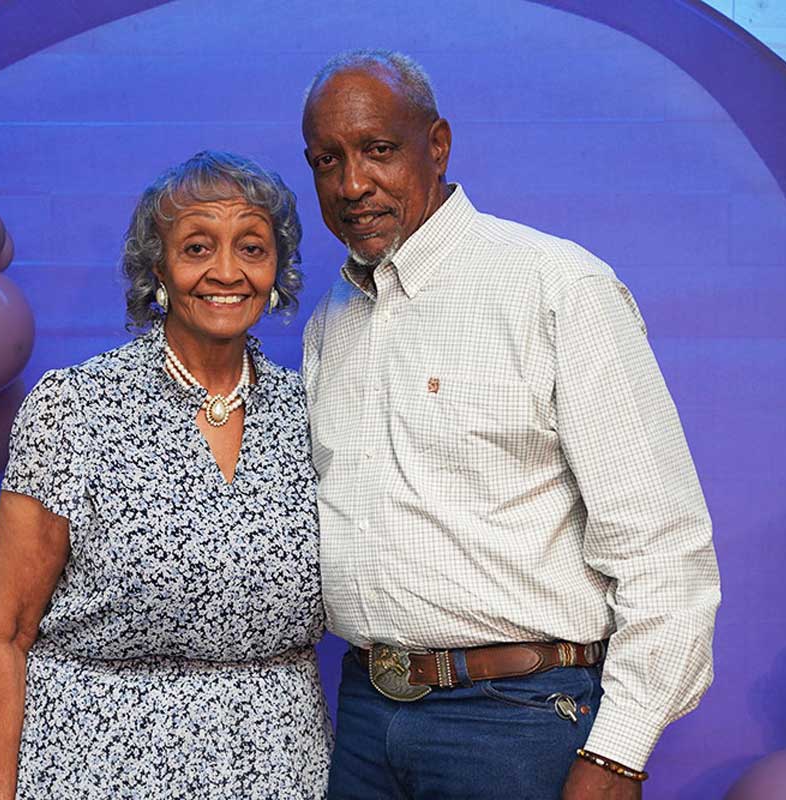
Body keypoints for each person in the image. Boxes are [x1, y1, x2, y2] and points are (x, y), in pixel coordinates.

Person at [300, 50, 721, 799]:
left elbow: (663, 546)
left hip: (517, 720)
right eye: (327, 161)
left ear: (437, 145)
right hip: (364, 714)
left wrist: (619, 751)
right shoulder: (332, 319)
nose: (352, 185)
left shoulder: (557, 288)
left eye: (378, 150)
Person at [0, 151, 331, 799]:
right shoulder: (76, 407)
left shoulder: (309, 411)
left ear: (277, 270)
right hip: (95, 773)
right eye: (197, 248)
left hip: (283, 773)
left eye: (252, 248)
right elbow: (5, 637)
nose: (227, 272)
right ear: (158, 267)